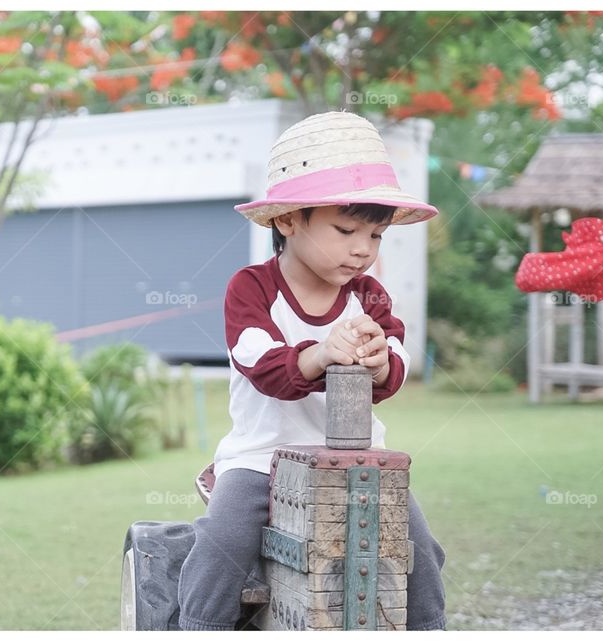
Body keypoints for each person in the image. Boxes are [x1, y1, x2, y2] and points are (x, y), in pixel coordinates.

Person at [177, 111, 448, 631]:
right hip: (262, 461)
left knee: (418, 552)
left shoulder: (368, 297)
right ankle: (198, 628)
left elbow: (397, 361)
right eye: (346, 230)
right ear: (288, 220)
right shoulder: (252, 288)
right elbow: (260, 362)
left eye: (376, 235)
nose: (362, 249)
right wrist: (322, 352)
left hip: (360, 462)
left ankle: (427, 628)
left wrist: (378, 362)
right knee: (223, 543)